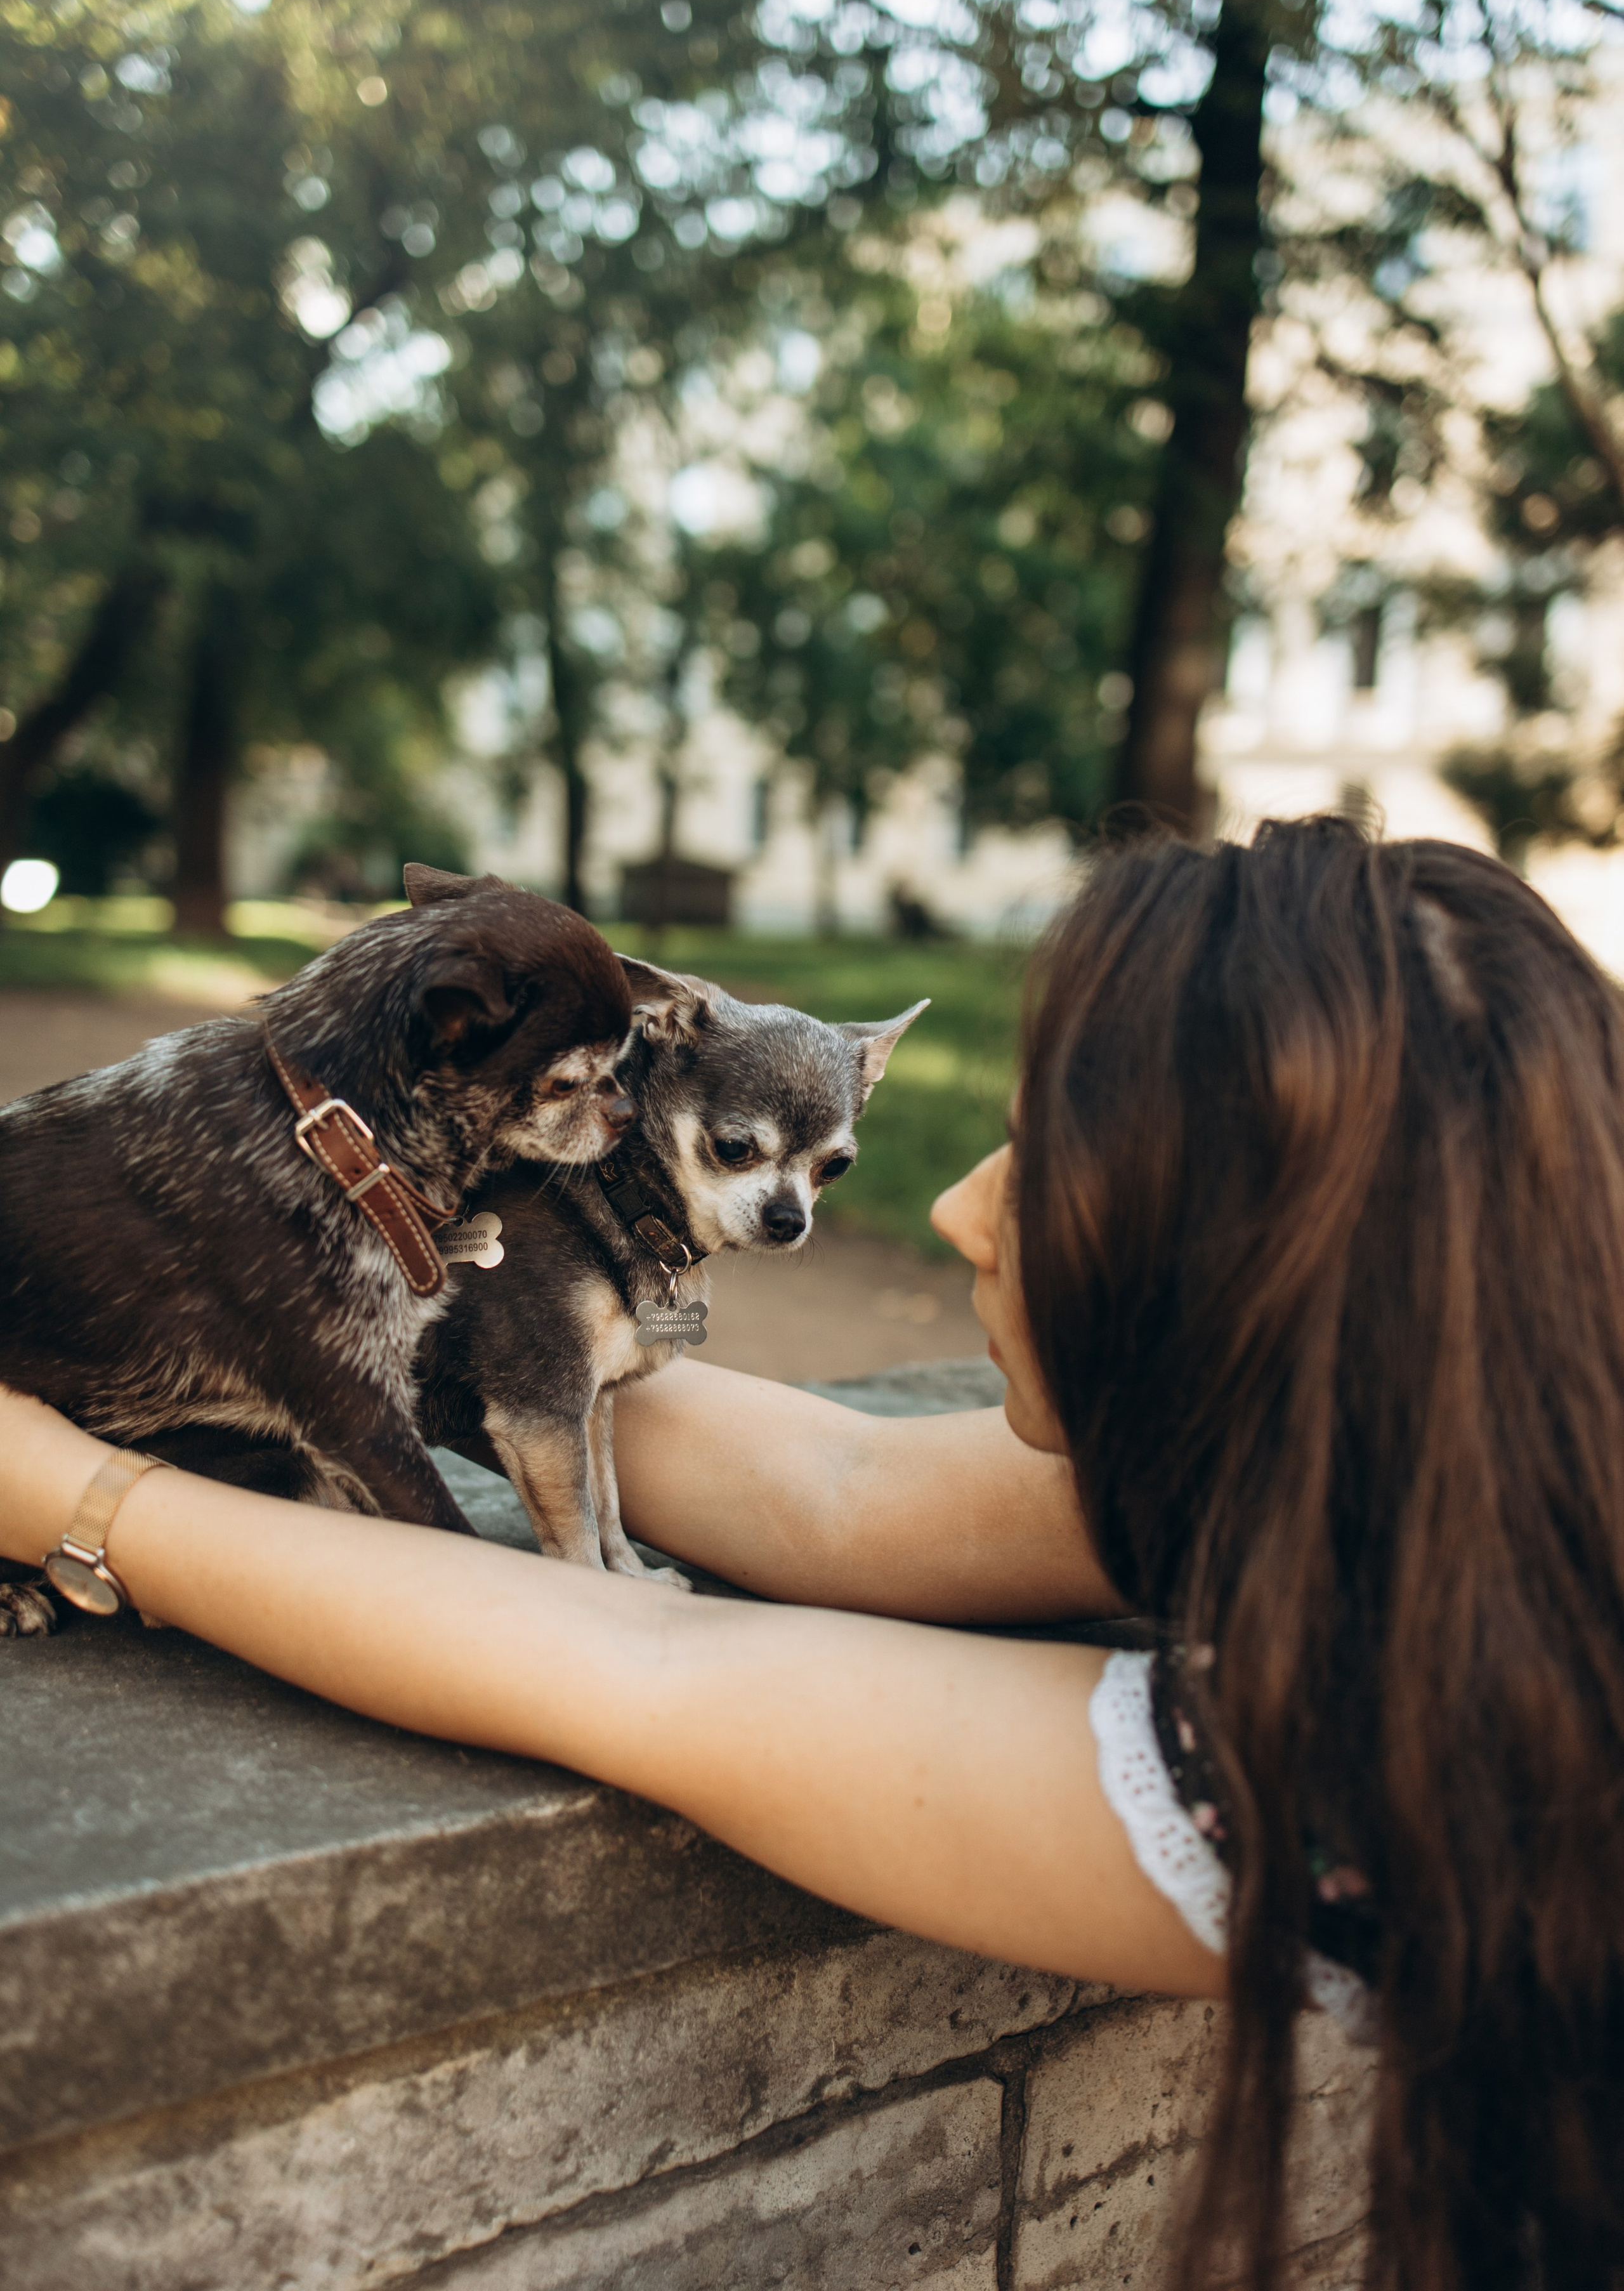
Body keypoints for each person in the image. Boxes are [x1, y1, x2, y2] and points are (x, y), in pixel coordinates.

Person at [3, 815, 1621, 2287]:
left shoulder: (1395, 1774)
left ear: (1258, 1279)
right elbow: (843, 1496)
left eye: (1049, 1161)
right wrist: (363, 1294)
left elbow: (638, 1661)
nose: (959, 1217)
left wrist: (79, 1496)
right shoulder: (1463, 1471)